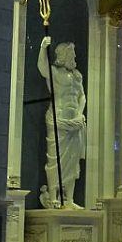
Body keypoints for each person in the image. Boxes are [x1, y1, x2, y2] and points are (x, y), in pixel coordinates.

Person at [38, 37, 86, 209]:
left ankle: (70, 200)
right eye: (71, 54)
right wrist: (43, 47)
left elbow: (82, 97)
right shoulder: (54, 72)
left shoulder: (77, 75)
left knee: (73, 163)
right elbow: (42, 68)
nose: (74, 57)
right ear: (64, 55)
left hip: (75, 123)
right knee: (55, 159)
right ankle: (53, 197)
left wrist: (79, 115)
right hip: (58, 121)